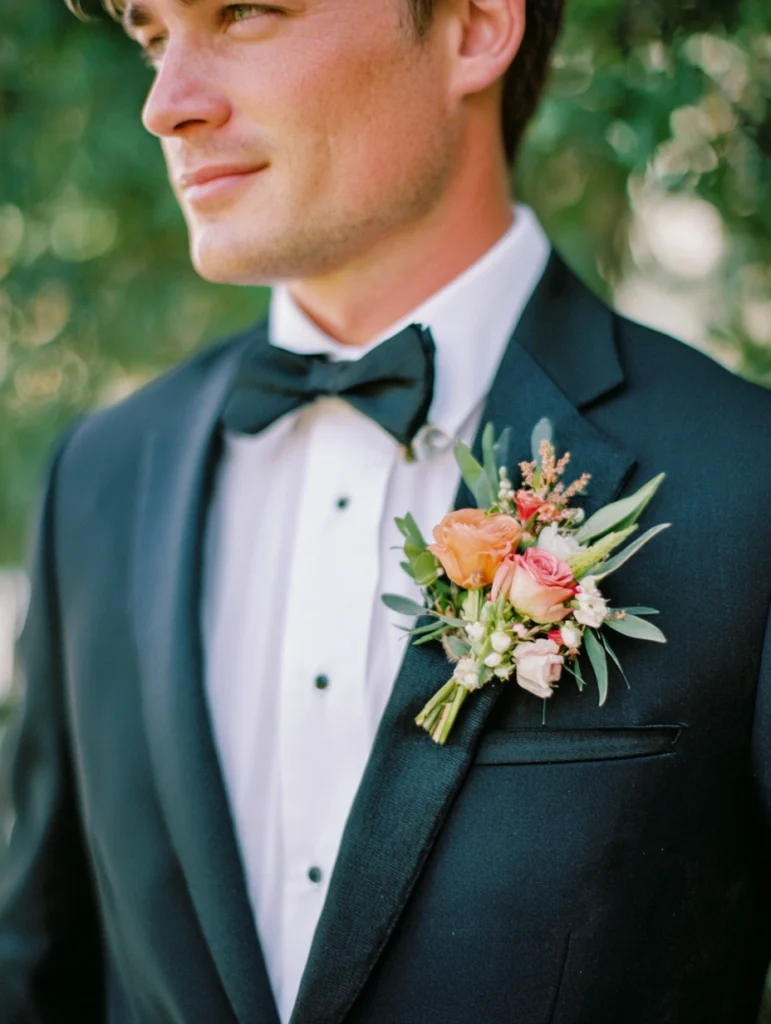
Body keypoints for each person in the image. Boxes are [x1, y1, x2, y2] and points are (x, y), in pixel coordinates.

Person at [0, 0, 769, 1020]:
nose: (165, 105)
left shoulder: (745, 483)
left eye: (242, 14)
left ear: (475, 28)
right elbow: (37, 969)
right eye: (152, 38)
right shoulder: (100, 478)